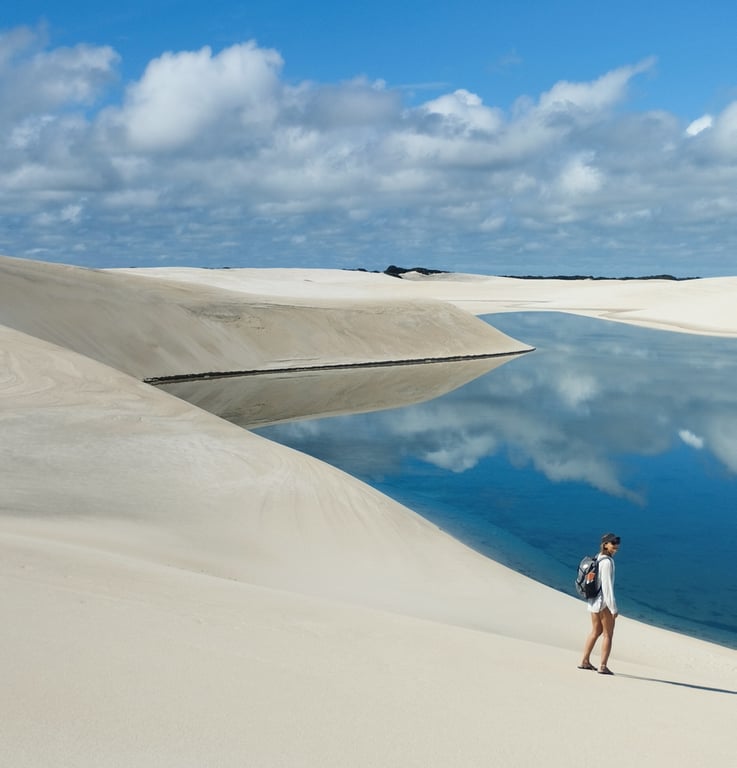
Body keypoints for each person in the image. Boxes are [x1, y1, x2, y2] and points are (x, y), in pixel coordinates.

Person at [578, 533, 620, 675]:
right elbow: (607, 587)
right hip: (603, 603)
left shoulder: (598, 557)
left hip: (593, 601)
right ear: (605, 544)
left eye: (617, 542)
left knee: (596, 631)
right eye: (613, 543)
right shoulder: (607, 562)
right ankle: (603, 666)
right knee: (608, 634)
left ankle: (585, 661)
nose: (616, 545)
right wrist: (613, 608)